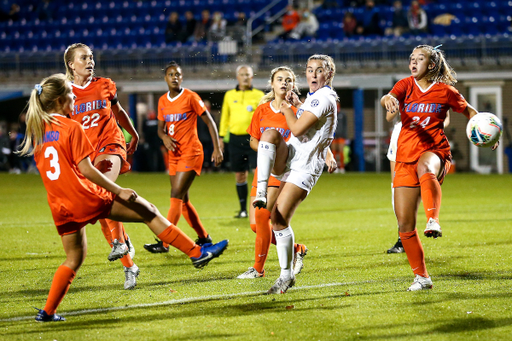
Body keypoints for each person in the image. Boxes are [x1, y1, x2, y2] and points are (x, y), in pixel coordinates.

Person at [18, 74, 228, 322]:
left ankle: (48, 312)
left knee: (74, 259)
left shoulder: (37, 131)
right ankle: (196, 253)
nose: (76, 98)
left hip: (60, 206)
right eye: (72, 96)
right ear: (61, 100)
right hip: (84, 197)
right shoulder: (72, 127)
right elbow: (87, 170)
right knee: (148, 210)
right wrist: (118, 190)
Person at [380, 44, 499, 291]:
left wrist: (489, 134)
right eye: (411, 58)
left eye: (419, 59)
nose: (413, 62)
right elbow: (389, 97)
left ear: (431, 65)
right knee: (404, 225)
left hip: (435, 153)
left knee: (426, 167)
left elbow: (470, 112)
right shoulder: (405, 85)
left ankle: (433, 219)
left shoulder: (445, 91)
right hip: (404, 157)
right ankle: (422, 278)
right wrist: (389, 100)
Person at [253, 55, 338, 294]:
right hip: (291, 158)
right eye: (309, 70)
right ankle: (261, 191)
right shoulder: (314, 97)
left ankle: (286, 275)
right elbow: (311, 124)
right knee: (269, 134)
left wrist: (287, 108)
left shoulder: (325, 97)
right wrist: (298, 105)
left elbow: (299, 128)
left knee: (279, 219)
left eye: (318, 70)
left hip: (305, 166)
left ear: (328, 74)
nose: (312, 74)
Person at [64, 43, 141, 290]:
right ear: (71, 64)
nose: (90, 60)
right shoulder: (64, 93)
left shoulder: (105, 84)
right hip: (86, 155)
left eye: (91, 56)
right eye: (83, 57)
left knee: (104, 192)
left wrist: (132, 133)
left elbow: (118, 111)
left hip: (111, 145)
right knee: (99, 208)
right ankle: (129, 264)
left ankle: (120, 244)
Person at [143, 61, 223, 253]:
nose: (175, 77)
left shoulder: (190, 97)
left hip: (191, 152)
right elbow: (160, 130)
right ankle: (204, 238)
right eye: (171, 74)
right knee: (183, 201)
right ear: (165, 78)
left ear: (182, 77)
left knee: (175, 195)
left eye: (178, 74)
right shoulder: (162, 100)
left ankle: (164, 242)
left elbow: (209, 121)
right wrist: (164, 138)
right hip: (174, 155)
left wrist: (217, 148)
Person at [238, 66, 310, 279]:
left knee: (262, 217)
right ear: (272, 83)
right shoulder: (262, 109)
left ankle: (258, 269)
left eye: (288, 80)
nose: (284, 83)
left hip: (283, 171)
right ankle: (296, 248)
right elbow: (253, 140)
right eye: (280, 79)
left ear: (293, 85)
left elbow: (309, 139)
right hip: (263, 171)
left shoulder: (299, 111)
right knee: (255, 225)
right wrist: (266, 148)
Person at [386, 111, 450, 254]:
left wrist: (434, 129)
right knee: (396, 188)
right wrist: (393, 103)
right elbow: (389, 117)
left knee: (423, 180)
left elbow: (446, 118)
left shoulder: (438, 90)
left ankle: (432, 219)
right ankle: (402, 238)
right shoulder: (403, 89)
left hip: (424, 138)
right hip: (400, 135)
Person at [219, 65, 264, 219]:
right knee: (240, 175)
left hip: (253, 139)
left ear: (252, 77)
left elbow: (263, 118)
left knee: (257, 173)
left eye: (248, 74)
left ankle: (260, 208)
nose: (245, 77)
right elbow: (225, 116)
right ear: (237, 76)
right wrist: (221, 137)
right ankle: (243, 209)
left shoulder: (259, 95)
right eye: (242, 74)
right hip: (235, 140)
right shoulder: (229, 95)